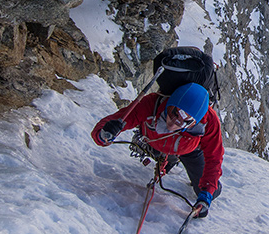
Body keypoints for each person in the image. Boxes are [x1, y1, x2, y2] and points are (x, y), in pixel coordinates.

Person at [91, 82, 224, 218]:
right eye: (174, 113)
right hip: (156, 145)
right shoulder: (151, 104)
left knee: (213, 191)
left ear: (194, 123)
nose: (173, 123)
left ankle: (171, 161)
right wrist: (104, 134)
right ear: (170, 103)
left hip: (188, 150)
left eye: (184, 121)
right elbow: (114, 121)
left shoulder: (209, 121)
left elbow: (214, 157)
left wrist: (206, 195)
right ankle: (168, 160)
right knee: (164, 154)